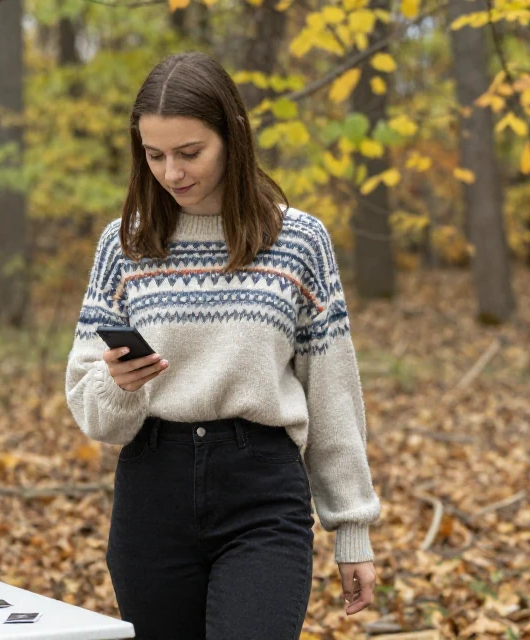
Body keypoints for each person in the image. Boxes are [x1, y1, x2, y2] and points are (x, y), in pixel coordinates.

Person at [64, 51, 381, 640]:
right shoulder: (124, 245)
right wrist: (118, 383)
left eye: (190, 153)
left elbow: (332, 391)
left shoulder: (299, 242)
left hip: (261, 491)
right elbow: (91, 405)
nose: (172, 172)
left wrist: (352, 529)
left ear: (232, 138)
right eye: (154, 155)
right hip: (152, 491)